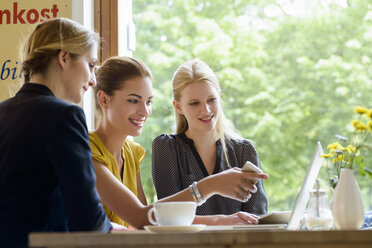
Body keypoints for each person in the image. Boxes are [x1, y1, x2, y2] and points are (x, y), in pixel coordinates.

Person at [91, 56, 268, 229]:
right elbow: (143, 218)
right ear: (104, 100)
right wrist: (211, 187)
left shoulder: (131, 152)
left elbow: (145, 223)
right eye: (133, 100)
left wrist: (221, 218)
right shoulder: (86, 151)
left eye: (149, 101)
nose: (145, 111)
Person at [0, 18, 111, 248]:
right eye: (90, 65)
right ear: (64, 58)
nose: (93, 80)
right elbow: (87, 220)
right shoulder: (65, 116)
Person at [152, 59, 268, 220]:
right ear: (178, 107)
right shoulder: (167, 148)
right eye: (194, 103)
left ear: (219, 97)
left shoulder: (243, 151)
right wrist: (221, 222)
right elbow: (169, 216)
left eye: (211, 100)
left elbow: (258, 217)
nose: (205, 110)